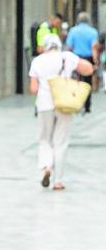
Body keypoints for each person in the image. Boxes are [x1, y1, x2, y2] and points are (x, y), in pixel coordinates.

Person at [28, 33, 92, 190]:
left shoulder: (37, 61)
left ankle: (46, 167)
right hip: (64, 102)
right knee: (61, 141)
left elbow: (33, 88)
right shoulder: (66, 57)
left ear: (45, 46)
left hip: (44, 104)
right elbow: (88, 69)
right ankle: (58, 181)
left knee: (44, 139)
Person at [64, 11, 98, 113]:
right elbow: (94, 48)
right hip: (88, 59)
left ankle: (76, 103)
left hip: (76, 59)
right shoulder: (93, 32)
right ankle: (87, 106)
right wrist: (95, 61)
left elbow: (69, 46)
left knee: (75, 81)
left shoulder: (73, 31)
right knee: (87, 83)